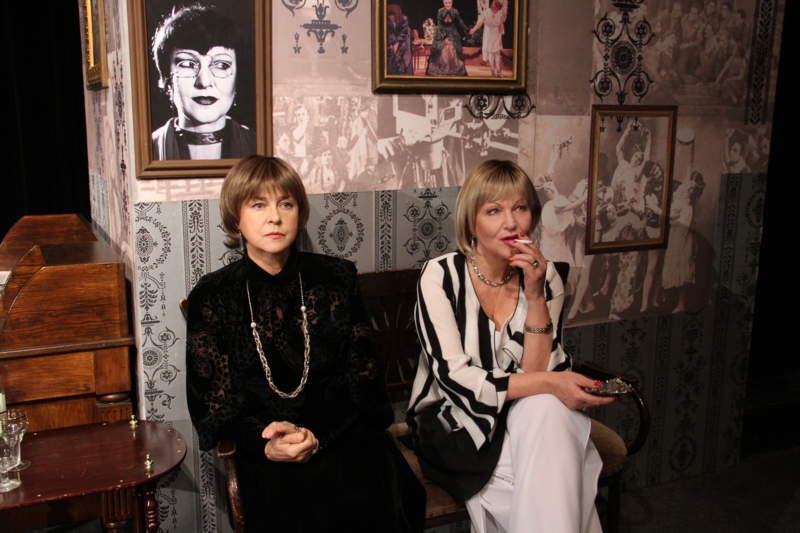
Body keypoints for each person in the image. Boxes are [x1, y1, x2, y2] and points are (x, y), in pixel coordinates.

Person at [185, 156, 425, 532]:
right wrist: (265, 443)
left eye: (286, 203)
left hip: (341, 433)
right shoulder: (213, 293)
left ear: (299, 211)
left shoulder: (336, 277)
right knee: (299, 509)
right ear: (235, 218)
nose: (275, 218)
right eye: (258, 205)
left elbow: (362, 377)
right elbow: (214, 401)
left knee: (371, 497)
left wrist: (318, 435)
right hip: (266, 449)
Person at [405, 160, 616, 533]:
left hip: (525, 411)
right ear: (471, 221)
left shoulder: (546, 278)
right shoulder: (440, 275)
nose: (511, 223)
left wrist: (535, 295)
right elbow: (455, 379)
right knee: (556, 476)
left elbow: (535, 372)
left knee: (546, 415)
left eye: (520, 208)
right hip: (452, 418)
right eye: (493, 211)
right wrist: (551, 383)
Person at [151, 4, 255, 160]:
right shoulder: (145, 151)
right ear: (166, 79)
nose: (204, 82)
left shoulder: (261, 147)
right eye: (187, 64)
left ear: (237, 78)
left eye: (222, 65)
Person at [426, 0, 470, 76]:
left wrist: (467, 29)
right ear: (443, 3)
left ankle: (453, 69)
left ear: (452, 2)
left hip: (452, 31)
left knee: (454, 48)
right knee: (441, 49)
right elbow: (439, 24)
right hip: (442, 31)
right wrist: (444, 37)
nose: (448, 4)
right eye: (446, 3)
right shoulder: (440, 11)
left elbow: (459, 21)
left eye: (449, 2)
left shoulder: (455, 11)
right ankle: (442, 69)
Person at [470, 0, 508, 77]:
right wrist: (473, 30)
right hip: (488, 33)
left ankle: (499, 72)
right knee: (491, 53)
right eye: (495, 9)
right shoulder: (486, 12)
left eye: (497, 9)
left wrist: (500, 37)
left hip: (496, 33)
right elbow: (480, 23)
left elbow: (501, 26)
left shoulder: (500, 13)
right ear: (492, 7)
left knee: (497, 53)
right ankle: (492, 72)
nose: (496, 11)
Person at [387, 4, 413, 75]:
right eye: (389, 15)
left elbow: (402, 34)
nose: (391, 17)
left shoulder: (404, 19)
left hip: (404, 40)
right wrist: (393, 42)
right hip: (394, 41)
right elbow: (390, 33)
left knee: (404, 61)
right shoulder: (388, 20)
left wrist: (396, 43)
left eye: (393, 15)